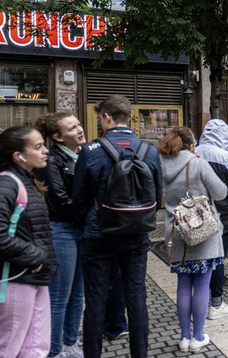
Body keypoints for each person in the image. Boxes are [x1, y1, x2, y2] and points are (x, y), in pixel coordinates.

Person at [73, 95, 162, 358]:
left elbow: (79, 201)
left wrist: (89, 224)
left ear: (106, 117)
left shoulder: (90, 151)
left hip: (98, 235)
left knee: (96, 302)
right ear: (128, 116)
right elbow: (156, 198)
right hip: (136, 237)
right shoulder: (149, 150)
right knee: (136, 298)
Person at [0, 126, 57, 358]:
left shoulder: (25, 181)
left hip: (32, 276)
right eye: (38, 147)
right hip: (12, 279)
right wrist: (37, 258)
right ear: (18, 156)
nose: (45, 151)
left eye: (44, 144)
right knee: (8, 349)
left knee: (35, 348)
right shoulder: (5, 184)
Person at [159, 127, 227, 352]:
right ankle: (198, 337)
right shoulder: (198, 163)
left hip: (176, 232)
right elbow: (220, 192)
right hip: (202, 232)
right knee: (202, 285)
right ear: (190, 145)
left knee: (183, 284)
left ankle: (184, 337)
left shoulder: (162, 164)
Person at [34, 113, 87, 358]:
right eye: (72, 127)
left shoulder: (83, 155)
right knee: (59, 296)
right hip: (62, 231)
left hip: (81, 229)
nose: (79, 129)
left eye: (78, 124)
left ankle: (69, 342)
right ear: (57, 137)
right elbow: (58, 200)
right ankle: (54, 351)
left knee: (78, 294)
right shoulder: (51, 160)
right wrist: (91, 213)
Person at [194, 119, 228, 317]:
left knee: (201, 258)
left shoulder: (195, 152)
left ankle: (199, 301)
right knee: (218, 258)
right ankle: (216, 303)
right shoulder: (226, 156)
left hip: (198, 216)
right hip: (224, 215)